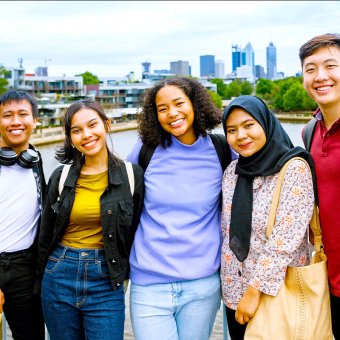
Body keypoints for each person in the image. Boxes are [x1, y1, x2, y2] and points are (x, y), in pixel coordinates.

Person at [127, 76, 234, 340]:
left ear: (195, 104)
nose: (172, 114)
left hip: (202, 285)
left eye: (178, 103)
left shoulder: (222, 150)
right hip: (148, 284)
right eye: (162, 109)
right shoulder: (144, 151)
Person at [35, 99, 144, 340]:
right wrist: (38, 285)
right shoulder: (61, 176)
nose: (86, 134)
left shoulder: (131, 176)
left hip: (106, 278)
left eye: (92, 124)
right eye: (76, 130)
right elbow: (45, 235)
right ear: (70, 138)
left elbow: (135, 229)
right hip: (58, 274)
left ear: (107, 125)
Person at [220, 95, 315, 340]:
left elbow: (285, 241)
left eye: (249, 125)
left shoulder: (293, 168)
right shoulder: (233, 171)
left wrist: (254, 292)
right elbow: (227, 230)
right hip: (234, 293)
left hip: (278, 294)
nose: (240, 135)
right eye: (232, 130)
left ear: (266, 123)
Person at [299, 33, 340, 339]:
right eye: (311, 69)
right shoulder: (309, 132)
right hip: (327, 278)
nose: (320, 76)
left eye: (330, 65)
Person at [0, 89, 46, 340]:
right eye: (7, 115)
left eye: (22, 114)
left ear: (35, 120)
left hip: (25, 269)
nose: (15, 121)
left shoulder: (34, 160)